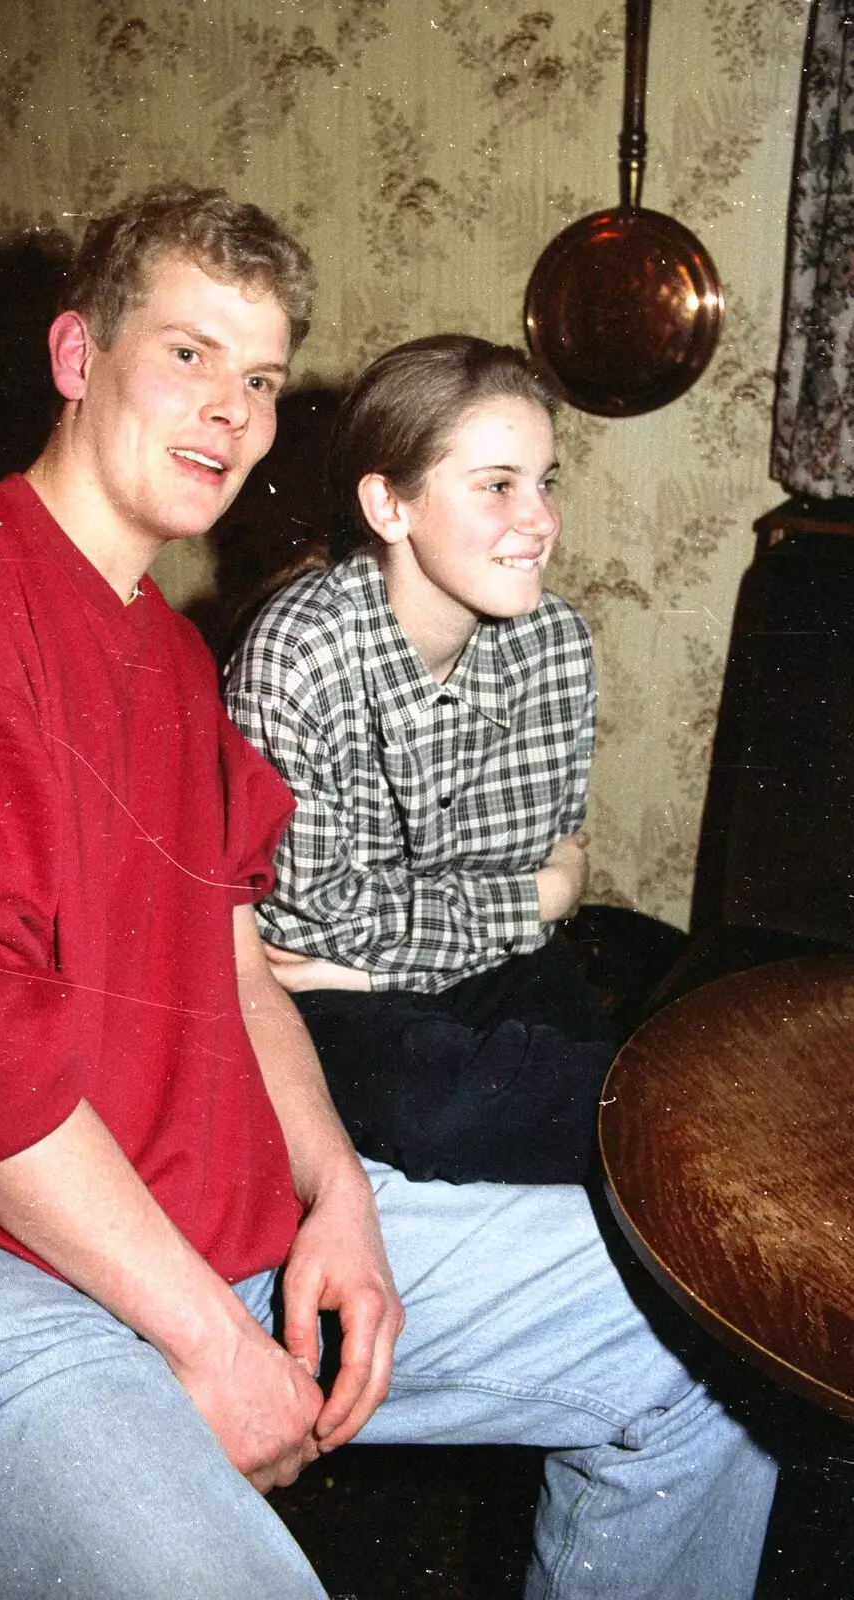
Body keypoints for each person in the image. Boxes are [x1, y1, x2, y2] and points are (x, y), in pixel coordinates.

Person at [0, 184, 775, 1600]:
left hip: (213, 1223)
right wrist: (202, 1337)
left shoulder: (181, 667)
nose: (230, 411)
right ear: (76, 358)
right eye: (186, 354)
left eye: (256, 375)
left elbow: (239, 967)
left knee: (706, 1350)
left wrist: (340, 1203)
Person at [225, 337, 616, 1186]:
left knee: (627, 1095)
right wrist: (538, 899)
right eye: (497, 486)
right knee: (444, 1106)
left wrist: (360, 959)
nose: (541, 520)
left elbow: (358, 930)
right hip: (323, 999)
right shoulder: (297, 655)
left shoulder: (556, 646)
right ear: (389, 506)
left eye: (545, 482)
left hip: (459, 962)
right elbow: (307, 922)